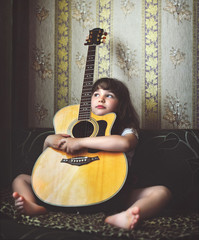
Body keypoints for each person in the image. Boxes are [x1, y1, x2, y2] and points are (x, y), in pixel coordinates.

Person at [12, 78, 172, 229]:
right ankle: (32, 204)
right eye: (96, 94)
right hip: (65, 188)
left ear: (121, 104)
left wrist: (80, 142)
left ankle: (127, 215)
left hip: (111, 194)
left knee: (162, 192)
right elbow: (47, 165)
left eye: (109, 95)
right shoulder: (72, 124)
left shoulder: (126, 129)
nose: (101, 99)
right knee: (21, 179)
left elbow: (125, 143)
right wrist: (47, 141)